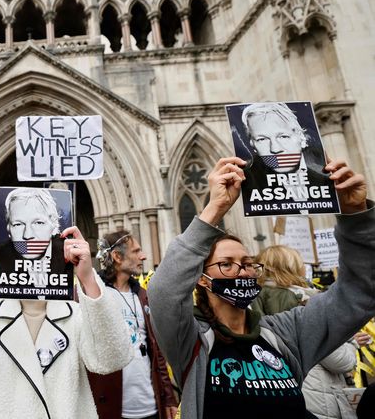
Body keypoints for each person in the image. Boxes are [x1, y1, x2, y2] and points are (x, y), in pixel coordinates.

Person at [148, 156, 375, 419]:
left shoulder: (287, 333)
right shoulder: (192, 340)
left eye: (247, 263)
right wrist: (215, 208)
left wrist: (356, 215)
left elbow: (358, 292)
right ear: (201, 277)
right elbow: (163, 292)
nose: (241, 271)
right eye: (226, 264)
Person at [0, 226, 132, 418]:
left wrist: (88, 279)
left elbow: (111, 359)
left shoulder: (75, 315)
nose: (31, 250)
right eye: (21, 239)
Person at [254, 245, 361, 419]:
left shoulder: (257, 300)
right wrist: (351, 342)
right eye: (300, 262)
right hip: (318, 398)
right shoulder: (300, 302)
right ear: (291, 268)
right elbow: (340, 361)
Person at [89, 230, 178, 419]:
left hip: (150, 406)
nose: (143, 256)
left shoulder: (143, 295)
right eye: (136, 251)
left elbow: (156, 351)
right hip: (112, 407)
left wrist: (168, 398)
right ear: (117, 256)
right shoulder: (95, 294)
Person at [238, 102, 336, 215]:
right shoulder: (248, 181)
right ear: (253, 145)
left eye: (283, 136)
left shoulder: (326, 178)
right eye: (262, 139)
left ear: (302, 137)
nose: (275, 149)